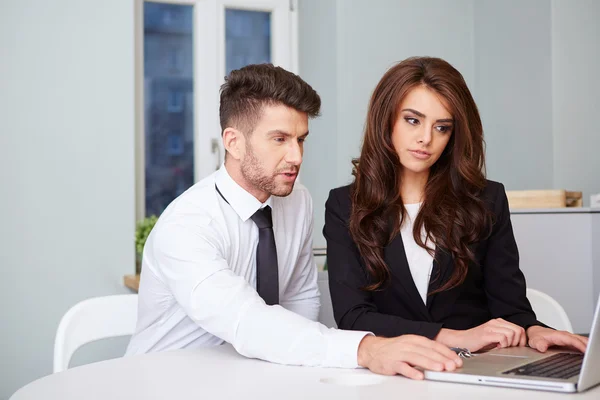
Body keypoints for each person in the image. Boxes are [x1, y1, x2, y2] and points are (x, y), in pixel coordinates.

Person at [126, 63, 462, 379]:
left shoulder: (295, 199)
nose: (296, 156)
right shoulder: (187, 226)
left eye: (300, 139)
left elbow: (300, 298)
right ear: (233, 142)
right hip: (166, 382)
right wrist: (366, 349)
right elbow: (245, 321)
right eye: (279, 139)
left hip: (253, 378)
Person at [324, 56, 588, 355]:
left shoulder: (487, 199)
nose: (426, 139)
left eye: (442, 128)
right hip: (393, 374)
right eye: (413, 120)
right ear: (386, 120)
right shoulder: (345, 205)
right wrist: (452, 337)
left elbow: (510, 308)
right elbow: (353, 317)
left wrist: (535, 330)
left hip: (478, 369)